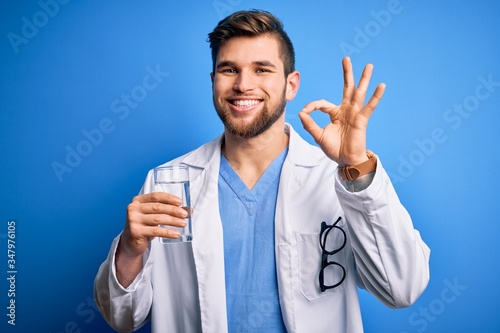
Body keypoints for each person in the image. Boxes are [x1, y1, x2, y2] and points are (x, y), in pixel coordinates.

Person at [94, 9, 430, 333]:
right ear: (213, 82)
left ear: (291, 85)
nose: (243, 85)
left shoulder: (335, 177)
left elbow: (402, 288)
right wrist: (129, 250)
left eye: (262, 69)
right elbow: (123, 318)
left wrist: (355, 164)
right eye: (229, 70)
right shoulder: (169, 181)